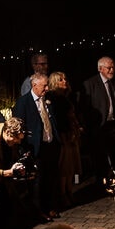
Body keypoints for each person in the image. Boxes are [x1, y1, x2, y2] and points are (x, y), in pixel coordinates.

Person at [13, 72, 61, 218]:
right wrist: (24, 149)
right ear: (34, 85)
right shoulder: (23, 102)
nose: (47, 88)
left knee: (50, 178)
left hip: (50, 145)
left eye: (47, 85)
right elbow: (19, 126)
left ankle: (49, 207)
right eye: (44, 85)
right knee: (37, 182)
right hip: (35, 148)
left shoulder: (48, 99)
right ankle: (39, 211)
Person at [82, 55, 115, 182]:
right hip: (100, 126)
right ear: (100, 69)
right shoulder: (90, 84)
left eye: (113, 67)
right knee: (101, 157)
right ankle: (104, 182)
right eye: (108, 68)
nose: (111, 70)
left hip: (114, 124)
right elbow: (85, 108)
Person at [46, 71, 82, 210]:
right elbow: (58, 119)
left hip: (70, 134)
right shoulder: (53, 98)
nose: (64, 81)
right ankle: (63, 194)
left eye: (65, 79)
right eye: (60, 79)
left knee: (72, 166)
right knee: (64, 167)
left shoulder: (66, 97)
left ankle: (69, 191)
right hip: (62, 135)